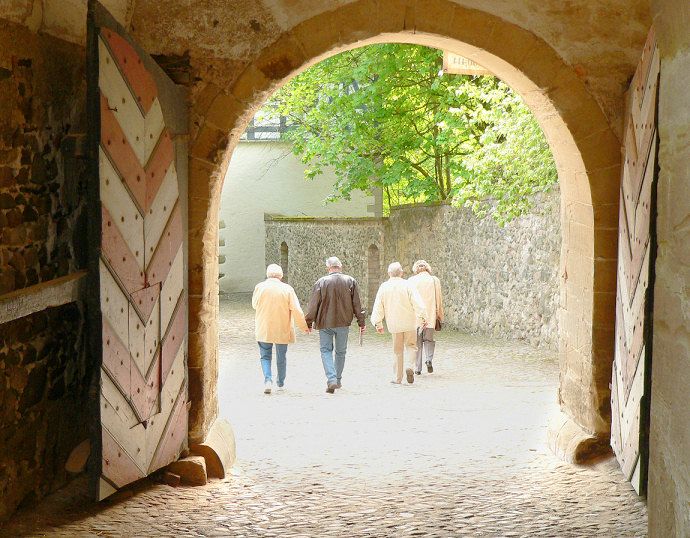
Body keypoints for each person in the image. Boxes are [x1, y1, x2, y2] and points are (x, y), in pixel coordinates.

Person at [305, 256, 366, 394]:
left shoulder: (321, 282)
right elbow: (357, 304)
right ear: (340, 267)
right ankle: (337, 380)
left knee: (326, 350)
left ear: (328, 268)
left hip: (325, 323)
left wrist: (308, 322)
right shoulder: (350, 281)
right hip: (343, 322)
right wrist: (361, 322)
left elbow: (313, 305)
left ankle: (331, 379)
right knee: (341, 352)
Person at [252, 263, 310, 394]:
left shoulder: (259, 287)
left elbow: (254, 305)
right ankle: (280, 382)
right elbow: (296, 310)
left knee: (265, 356)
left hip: (264, 327)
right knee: (281, 356)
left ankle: (267, 380)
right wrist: (303, 326)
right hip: (282, 327)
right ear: (281, 276)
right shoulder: (287, 289)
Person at [371, 261, 428, 385]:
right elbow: (418, 303)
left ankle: (398, 378)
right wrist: (423, 317)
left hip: (394, 324)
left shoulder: (384, 287)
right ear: (401, 273)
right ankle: (410, 366)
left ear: (389, 273)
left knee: (397, 350)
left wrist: (378, 323)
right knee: (412, 346)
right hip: (409, 322)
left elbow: (378, 306)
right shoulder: (408, 285)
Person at [408, 260, 444, 375]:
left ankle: (418, 368)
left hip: (416, 317)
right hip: (430, 315)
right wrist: (439, 315)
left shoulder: (411, 281)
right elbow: (439, 299)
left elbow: (408, 300)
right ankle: (428, 359)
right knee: (429, 339)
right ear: (427, 268)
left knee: (417, 342)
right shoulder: (434, 280)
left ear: (416, 269)